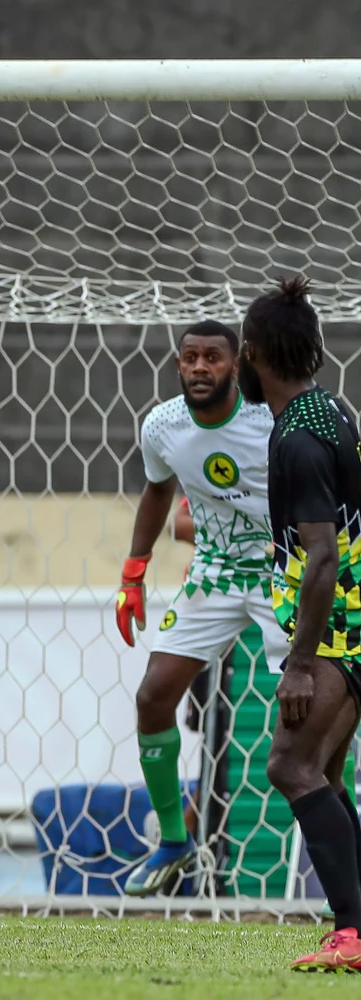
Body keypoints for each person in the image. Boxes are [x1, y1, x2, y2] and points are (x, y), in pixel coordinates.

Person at [113, 320, 287, 896]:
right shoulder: (162, 425)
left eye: (212, 358)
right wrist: (133, 572)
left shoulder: (270, 420)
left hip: (280, 573)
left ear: (236, 365)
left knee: (320, 717)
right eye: (190, 358)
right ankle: (172, 840)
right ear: (178, 365)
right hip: (214, 573)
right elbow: (158, 490)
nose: (199, 368)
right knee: (153, 694)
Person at [235, 277, 361, 971]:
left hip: (341, 623)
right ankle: (356, 924)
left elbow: (321, 556)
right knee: (327, 774)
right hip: (350, 614)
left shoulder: (301, 439)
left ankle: (350, 932)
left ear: (251, 355)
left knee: (290, 764)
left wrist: (300, 664)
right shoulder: (330, 409)